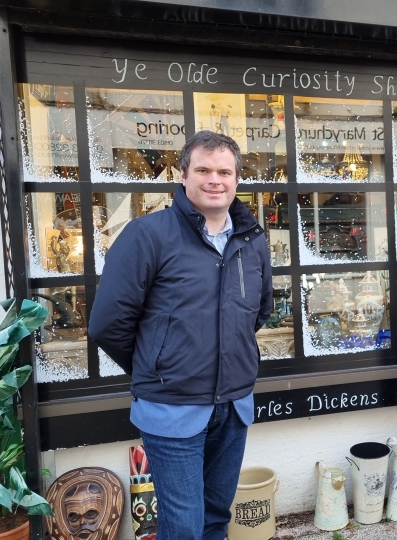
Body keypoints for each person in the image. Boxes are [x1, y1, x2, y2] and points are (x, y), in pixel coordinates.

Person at [89, 130, 273, 540]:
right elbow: (107, 324)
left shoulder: (252, 240)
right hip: (171, 409)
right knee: (185, 527)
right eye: (203, 169)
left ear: (237, 179)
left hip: (234, 405)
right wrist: (158, 366)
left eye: (224, 171)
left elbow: (259, 311)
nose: (215, 180)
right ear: (183, 175)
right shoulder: (148, 235)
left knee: (215, 518)